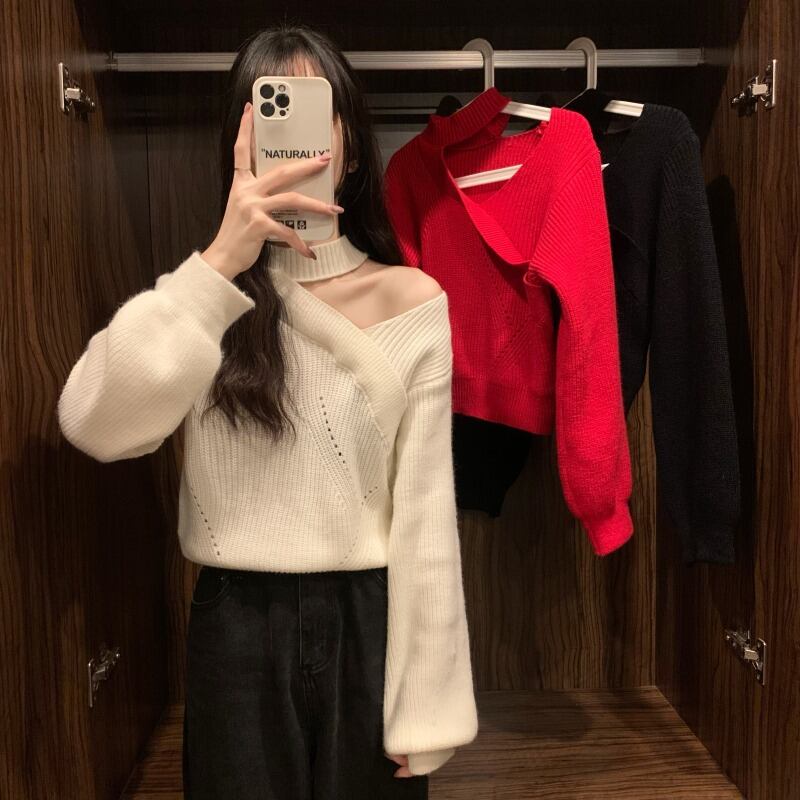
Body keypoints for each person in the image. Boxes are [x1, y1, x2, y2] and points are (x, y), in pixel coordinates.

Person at [56, 22, 478, 800]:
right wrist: (221, 262)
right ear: (239, 148)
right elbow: (94, 425)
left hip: (369, 623)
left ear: (351, 150)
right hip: (236, 626)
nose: (296, 148)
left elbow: (425, 514)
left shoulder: (412, 300)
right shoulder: (203, 300)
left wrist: (429, 705)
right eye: (271, 120)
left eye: (313, 116)